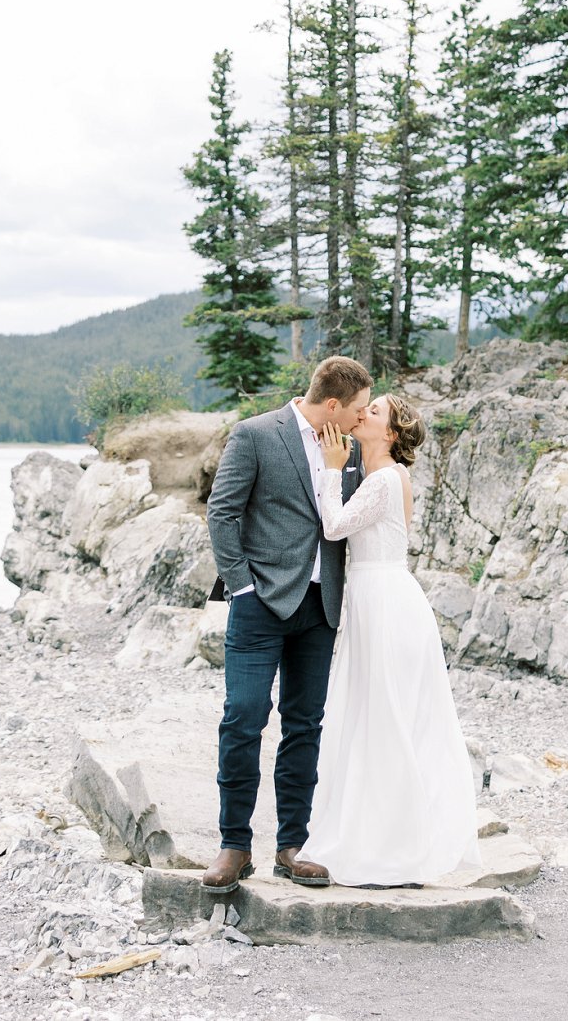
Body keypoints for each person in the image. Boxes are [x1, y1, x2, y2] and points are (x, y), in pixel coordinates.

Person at [201, 355, 370, 890]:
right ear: (332, 405)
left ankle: (293, 845)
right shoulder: (255, 434)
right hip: (260, 605)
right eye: (358, 410)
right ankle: (234, 845)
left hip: (321, 608)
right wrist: (242, 585)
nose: (361, 420)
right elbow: (222, 511)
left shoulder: (353, 448)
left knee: (305, 726)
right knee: (242, 718)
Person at [302, 394, 482, 887]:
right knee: (380, 714)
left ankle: (389, 842)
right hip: (380, 596)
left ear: (392, 434)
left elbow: (335, 527)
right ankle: (384, 828)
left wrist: (332, 469)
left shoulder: (381, 478)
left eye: (375, 412)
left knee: (382, 715)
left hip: (382, 601)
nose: (363, 415)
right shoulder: (385, 477)